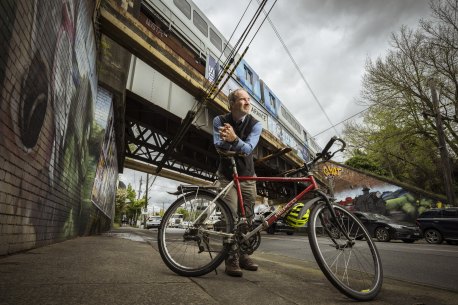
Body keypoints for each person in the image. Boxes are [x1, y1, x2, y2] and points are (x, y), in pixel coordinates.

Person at [213, 88, 263, 277]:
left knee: (248, 219)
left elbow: (249, 149)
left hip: (248, 176)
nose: (247, 102)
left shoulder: (256, 125)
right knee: (231, 217)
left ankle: (243, 254)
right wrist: (236, 144)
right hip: (227, 176)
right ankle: (231, 258)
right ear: (232, 103)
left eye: (248, 99)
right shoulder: (219, 120)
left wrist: (234, 139)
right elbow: (218, 145)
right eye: (242, 99)